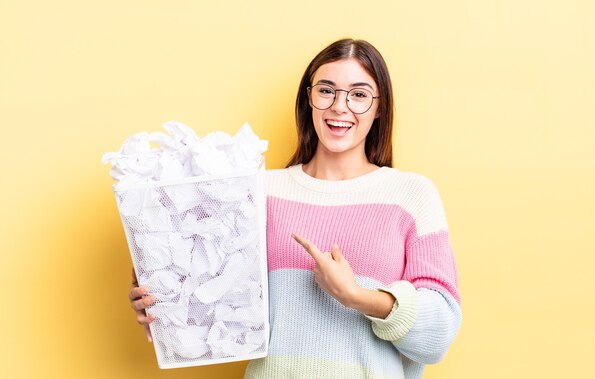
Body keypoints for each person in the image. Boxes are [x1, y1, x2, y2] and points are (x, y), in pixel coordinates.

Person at [129, 38, 461, 378]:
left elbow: (439, 335)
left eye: (359, 95)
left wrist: (357, 296)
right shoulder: (257, 192)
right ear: (309, 99)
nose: (340, 107)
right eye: (327, 91)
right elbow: (209, 299)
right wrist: (162, 301)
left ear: (380, 108)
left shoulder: (410, 195)